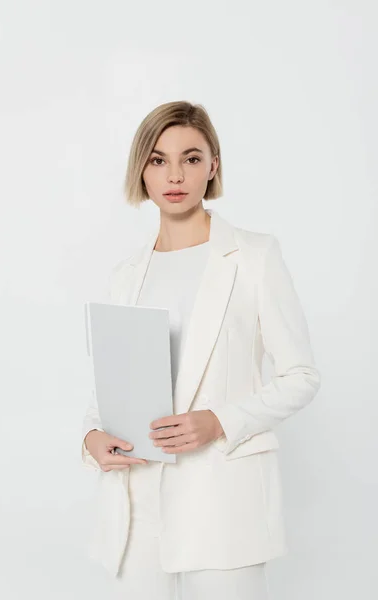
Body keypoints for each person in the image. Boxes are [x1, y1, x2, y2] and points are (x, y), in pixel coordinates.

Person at [81, 101, 321, 599]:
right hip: (135, 505)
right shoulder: (126, 274)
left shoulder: (254, 256)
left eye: (191, 158)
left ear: (213, 166)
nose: (175, 174)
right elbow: (106, 384)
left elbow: (300, 375)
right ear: (141, 171)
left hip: (222, 501)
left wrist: (220, 421)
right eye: (157, 159)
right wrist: (90, 437)